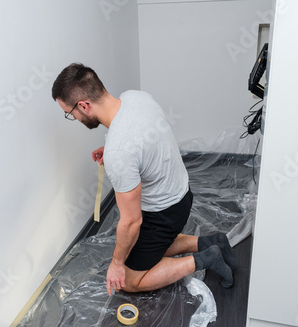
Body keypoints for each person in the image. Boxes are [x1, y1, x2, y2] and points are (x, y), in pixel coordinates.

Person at [52, 63, 236, 295]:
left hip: (164, 214)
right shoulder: (135, 98)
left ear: (84, 105)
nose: (74, 117)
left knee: (127, 280)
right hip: (183, 194)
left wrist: (117, 265)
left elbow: (132, 222)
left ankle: (206, 259)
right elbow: (143, 137)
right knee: (134, 248)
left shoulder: (120, 152)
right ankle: (211, 241)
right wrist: (112, 149)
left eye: (70, 113)